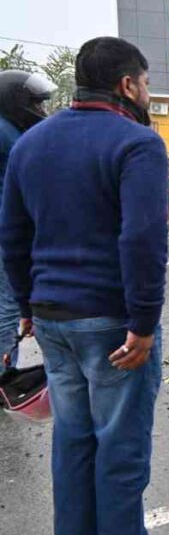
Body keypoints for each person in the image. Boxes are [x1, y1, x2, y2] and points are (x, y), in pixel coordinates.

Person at [0, 37, 168, 535]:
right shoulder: (137, 142)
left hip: (53, 318)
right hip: (113, 323)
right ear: (126, 84)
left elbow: (12, 232)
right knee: (121, 452)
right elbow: (142, 239)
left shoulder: (31, 141)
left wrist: (29, 303)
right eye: (145, 83)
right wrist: (143, 323)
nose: (146, 93)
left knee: (72, 442)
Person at [0, 70, 56, 369]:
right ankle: (3, 377)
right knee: (7, 310)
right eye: (36, 104)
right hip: (6, 236)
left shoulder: (11, 132)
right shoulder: (8, 136)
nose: (41, 112)